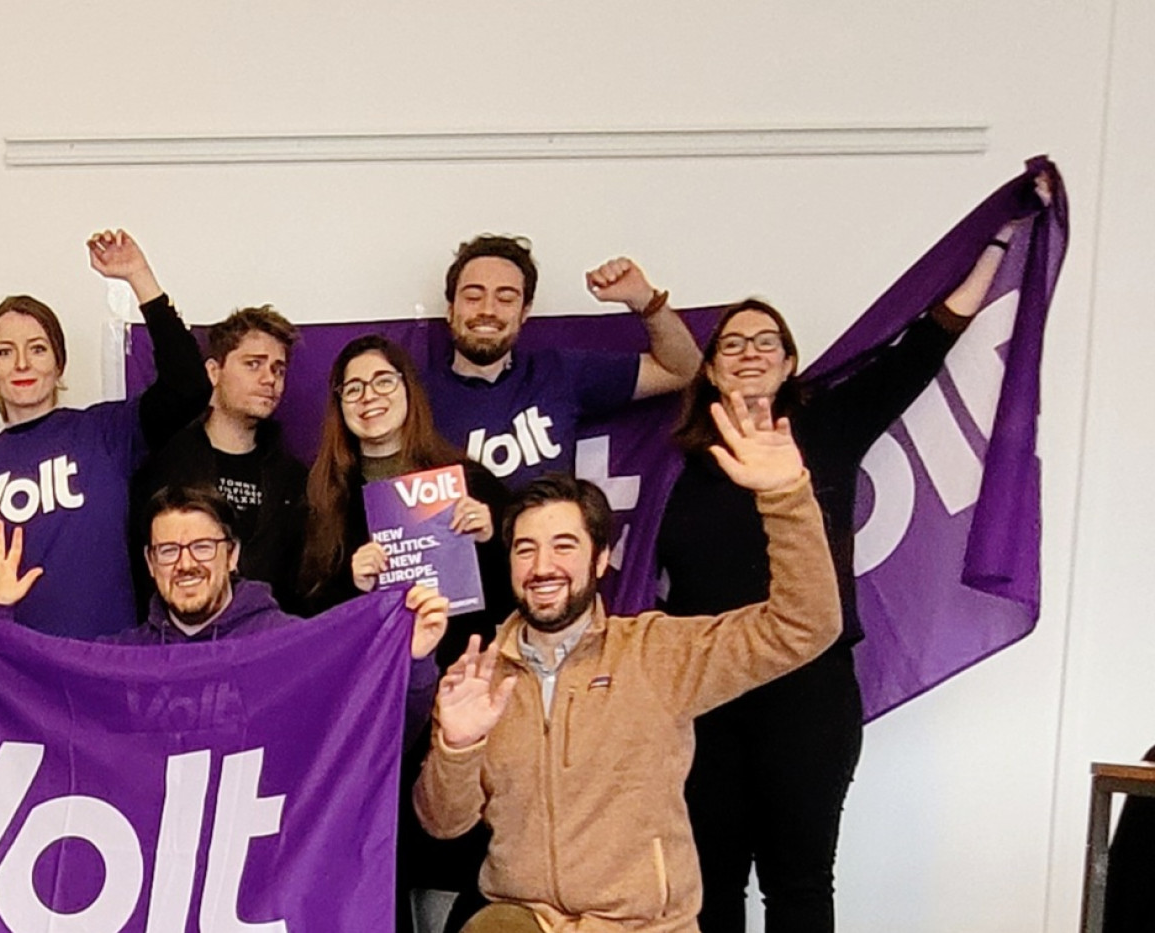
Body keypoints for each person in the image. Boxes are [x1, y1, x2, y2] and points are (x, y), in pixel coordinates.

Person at [653, 191, 1041, 933]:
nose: (750, 351)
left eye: (767, 340)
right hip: (707, 694)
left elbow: (929, 341)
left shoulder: (829, 423)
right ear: (707, 368)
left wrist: (997, 244)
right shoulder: (672, 461)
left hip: (810, 690)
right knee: (710, 884)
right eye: (732, 342)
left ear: (792, 361)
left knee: (799, 884)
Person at [415, 397, 842, 933]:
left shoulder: (657, 653)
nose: (542, 566)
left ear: (598, 560)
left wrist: (785, 496)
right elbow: (442, 823)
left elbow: (805, 626)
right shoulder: (480, 677)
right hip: (526, 923)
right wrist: (457, 747)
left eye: (563, 546)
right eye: (525, 550)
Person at [292, 334, 515, 932]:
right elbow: (303, 620)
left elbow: (524, 594)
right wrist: (348, 580)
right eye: (353, 389)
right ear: (338, 406)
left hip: (459, 703)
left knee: (464, 864)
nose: (369, 398)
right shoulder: (323, 500)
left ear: (409, 391)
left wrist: (494, 538)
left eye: (383, 381)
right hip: (370, 719)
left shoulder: (469, 482)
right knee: (378, 868)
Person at [0, 231, 208, 636]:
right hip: (16, 670)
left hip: (106, 665)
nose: (23, 363)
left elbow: (189, 386)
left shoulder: (104, 432)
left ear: (59, 363)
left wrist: (139, 276)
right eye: (5, 351)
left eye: (38, 348)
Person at [0, 487, 448, 688]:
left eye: (202, 547)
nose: (186, 564)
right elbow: (33, 695)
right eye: (169, 551)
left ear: (232, 555)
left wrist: (416, 661)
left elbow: (375, 727)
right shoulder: (122, 660)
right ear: (151, 565)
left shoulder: (292, 644)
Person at [418, 236, 703, 486]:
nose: (488, 310)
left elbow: (683, 370)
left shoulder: (558, 373)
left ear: (525, 312)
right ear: (450, 309)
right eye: (473, 296)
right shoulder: (414, 397)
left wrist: (646, 301)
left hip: (545, 546)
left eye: (506, 298)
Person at [131, 303, 308, 597]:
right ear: (214, 371)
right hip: (178, 635)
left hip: (267, 635)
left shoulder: (295, 478)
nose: (269, 379)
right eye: (253, 364)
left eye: (278, 369)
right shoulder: (165, 464)